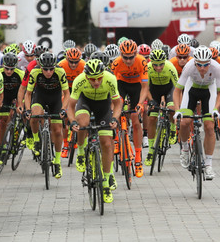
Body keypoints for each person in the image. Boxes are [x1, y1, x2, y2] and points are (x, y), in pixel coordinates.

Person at [67, 59, 122, 203]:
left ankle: (106, 183)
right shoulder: (79, 80)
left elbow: (117, 103)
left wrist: (115, 118)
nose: (96, 82)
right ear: (86, 77)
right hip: (85, 103)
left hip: (103, 106)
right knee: (83, 123)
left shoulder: (110, 79)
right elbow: (70, 106)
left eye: (99, 78)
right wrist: (72, 121)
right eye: (92, 79)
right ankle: (80, 151)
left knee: (106, 143)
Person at [173, 46, 220, 180]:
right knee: (185, 122)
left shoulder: (217, 68)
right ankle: (184, 149)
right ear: (194, 62)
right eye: (199, 65)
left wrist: (215, 109)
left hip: (209, 90)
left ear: (210, 62)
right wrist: (178, 110)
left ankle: (208, 165)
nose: (203, 68)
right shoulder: (189, 66)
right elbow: (177, 90)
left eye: (206, 64)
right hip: (192, 90)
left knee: (209, 126)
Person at [24, 52, 69, 179]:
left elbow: (67, 93)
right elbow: (28, 94)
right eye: (45, 69)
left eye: (51, 69)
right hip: (40, 96)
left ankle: (58, 161)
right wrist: (27, 109)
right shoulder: (35, 72)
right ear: (41, 67)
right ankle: (37, 140)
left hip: (55, 99)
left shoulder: (60, 72)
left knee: (57, 130)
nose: (48, 72)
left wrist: (63, 109)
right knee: (35, 116)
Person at [109, 39, 150, 178]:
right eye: (125, 57)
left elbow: (145, 87)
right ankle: (116, 138)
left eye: (130, 57)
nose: (127, 60)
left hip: (136, 87)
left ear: (135, 54)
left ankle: (138, 158)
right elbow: (111, 87)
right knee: (117, 109)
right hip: (121, 84)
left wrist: (139, 104)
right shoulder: (116, 63)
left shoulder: (142, 62)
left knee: (135, 119)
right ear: (121, 55)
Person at [144, 49, 179, 166]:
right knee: (152, 118)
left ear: (165, 62)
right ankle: (150, 151)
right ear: (151, 62)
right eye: (155, 65)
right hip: (154, 91)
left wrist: (178, 106)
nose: (158, 67)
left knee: (172, 108)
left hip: (169, 89)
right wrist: (151, 100)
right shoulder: (147, 68)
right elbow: (145, 88)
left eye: (161, 64)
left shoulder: (170, 67)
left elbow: (177, 87)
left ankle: (173, 129)